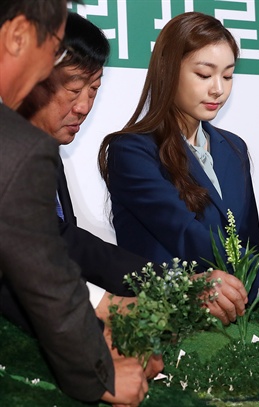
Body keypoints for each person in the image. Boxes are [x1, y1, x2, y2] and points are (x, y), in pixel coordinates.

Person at [98, 12, 259, 326]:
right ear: (169, 71)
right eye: (204, 74)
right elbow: (186, 235)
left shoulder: (233, 147)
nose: (218, 90)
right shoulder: (131, 150)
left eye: (227, 76)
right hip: (168, 320)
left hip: (237, 318)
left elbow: (250, 243)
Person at [0, 1, 147, 404]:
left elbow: (62, 242)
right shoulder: (18, 147)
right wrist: (98, 368)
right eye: (49, 59)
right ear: (16, 38)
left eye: (93, 90)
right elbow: (37, 273)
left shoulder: (35, 148)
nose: (82, 105)